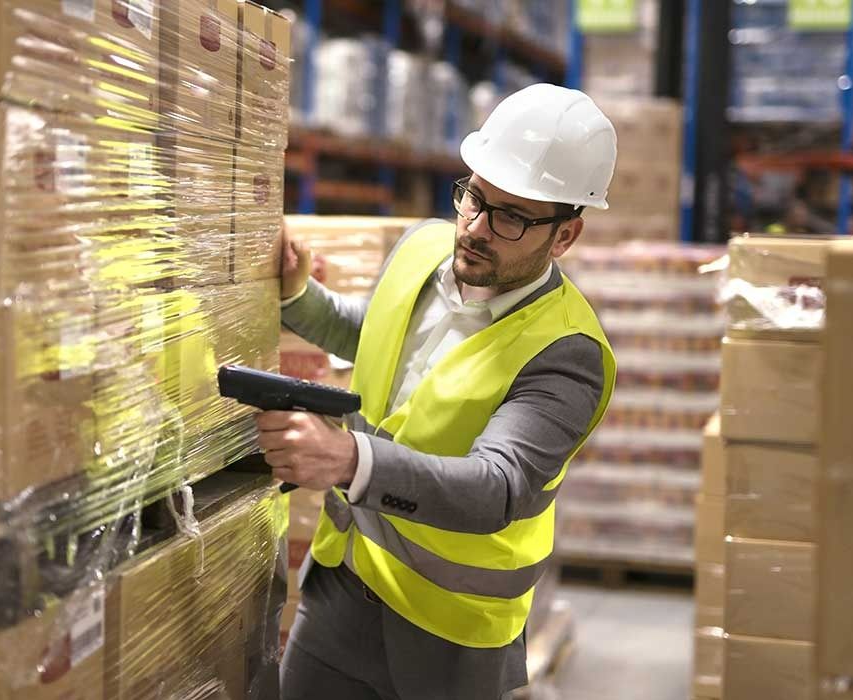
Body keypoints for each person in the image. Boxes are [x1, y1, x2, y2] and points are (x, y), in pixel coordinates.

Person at [264, 83, 619, 700]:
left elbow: (496, 487)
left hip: (452, 635)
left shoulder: (569, 352)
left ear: (565, 237)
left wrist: (349, 460)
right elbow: (376, 333)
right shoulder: (423, 248)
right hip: (343, 584)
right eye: (474, 198)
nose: (476, 229)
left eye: (511, 217)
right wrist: (300, 297)